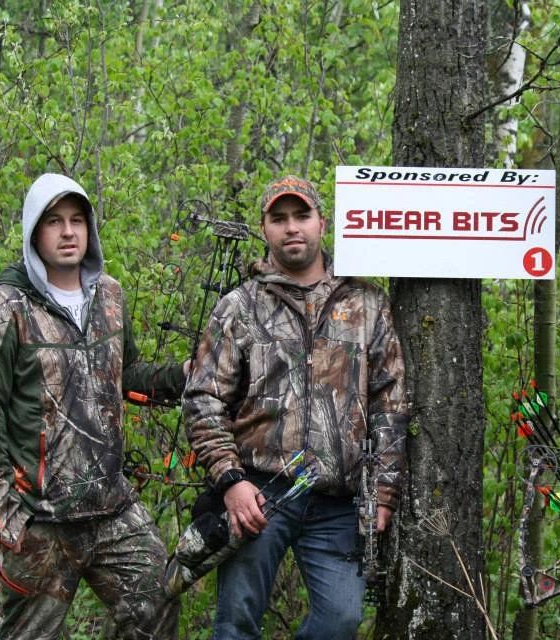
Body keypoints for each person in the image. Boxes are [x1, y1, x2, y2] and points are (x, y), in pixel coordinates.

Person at [0, 173, 187, 640]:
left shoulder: (110, 296)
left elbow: (126, 376)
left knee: (157, 604)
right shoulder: (4, 312)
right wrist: (6, 515)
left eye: (77, 220)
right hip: (40, 521)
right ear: (33, 232)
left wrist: (186, 374)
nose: (68, 232)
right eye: (55, 221)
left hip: (111, 508)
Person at [182, 175, 408, 639]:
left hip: (339, 499)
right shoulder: (239, 307)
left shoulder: (365, 303)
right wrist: (230, 481)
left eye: (301, 216)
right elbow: (203, 399)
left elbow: (391, 400)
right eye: (278, 219)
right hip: (259, 495)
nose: (292, 228)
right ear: (264, 229)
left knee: (341, 619)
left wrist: (383, 491)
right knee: (236, 622)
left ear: (322, 223)